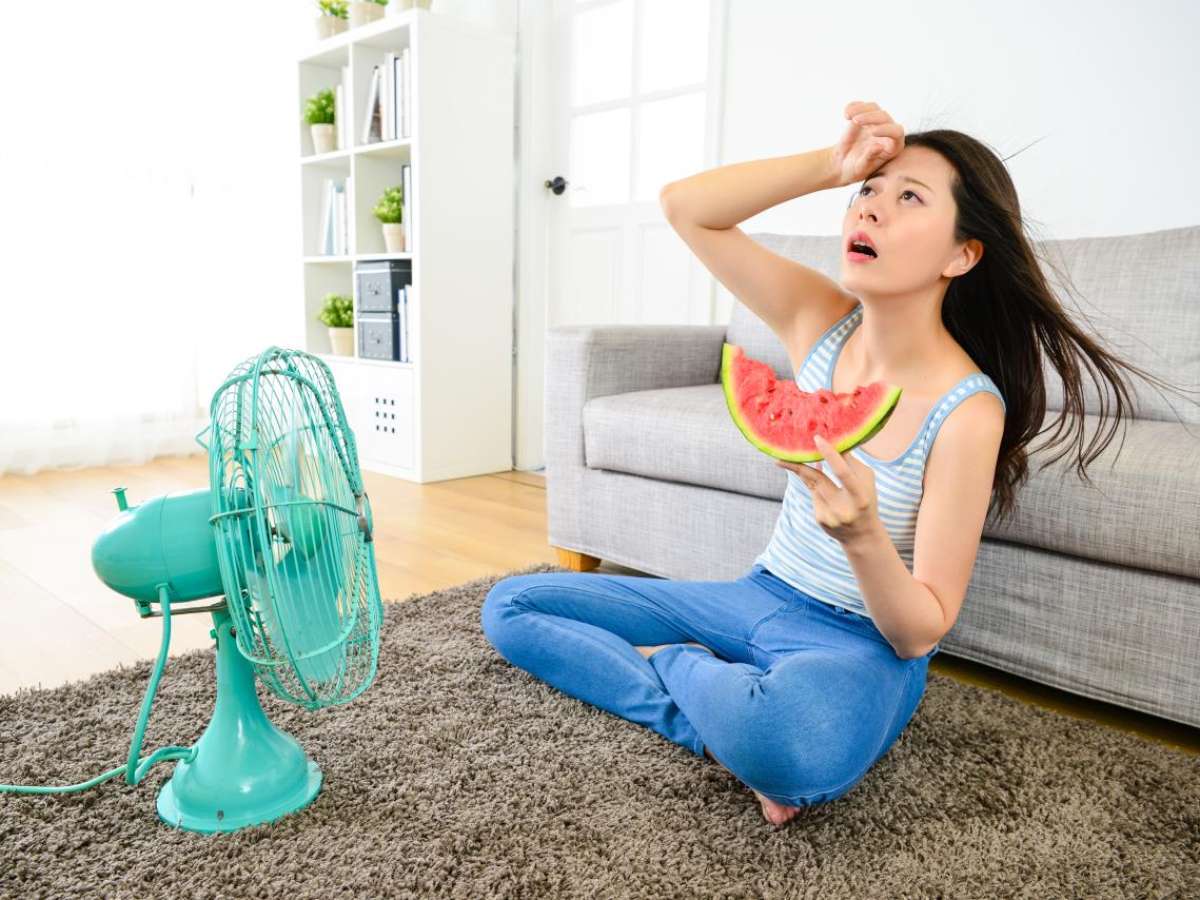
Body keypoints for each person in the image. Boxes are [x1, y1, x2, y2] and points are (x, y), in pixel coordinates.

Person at [481, 100, 1193, 827]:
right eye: (868, 192)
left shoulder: (968, 411)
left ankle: (679, 665)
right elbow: (686, 208)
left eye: (909, 197)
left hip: (859, 646)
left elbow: (921, 631)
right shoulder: (817, 320)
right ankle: (712, 716)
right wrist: (832, 165)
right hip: (756, 595)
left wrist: (863, 537)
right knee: (511, 607)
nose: (871, 208)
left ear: (961, 255)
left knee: (795, 748)